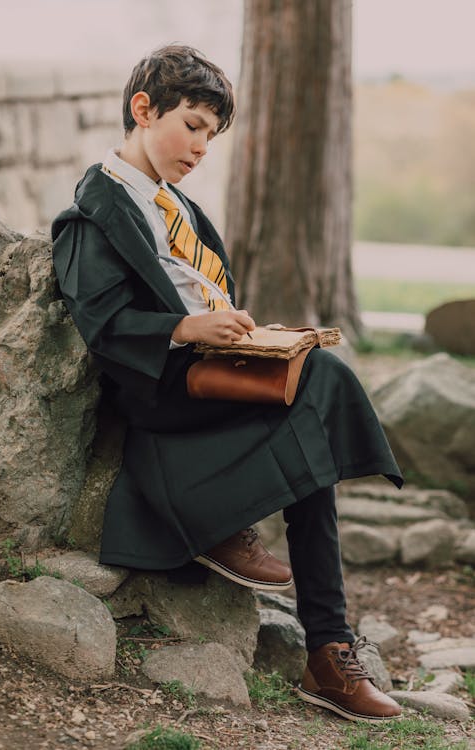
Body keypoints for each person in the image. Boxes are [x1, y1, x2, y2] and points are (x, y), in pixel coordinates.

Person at [52, 44, 403, 722]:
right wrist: (187, 333)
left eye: (212, 134)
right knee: (321, 385)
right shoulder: (92, 215)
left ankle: (328, 646)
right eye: (192, 125)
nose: (202, 146)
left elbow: (201, 289)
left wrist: (245, 335)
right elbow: (102, 324)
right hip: (169, 401)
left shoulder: (174, 208)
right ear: (143, 109)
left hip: (214, 379)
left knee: (312, 391)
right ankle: (327, 650)